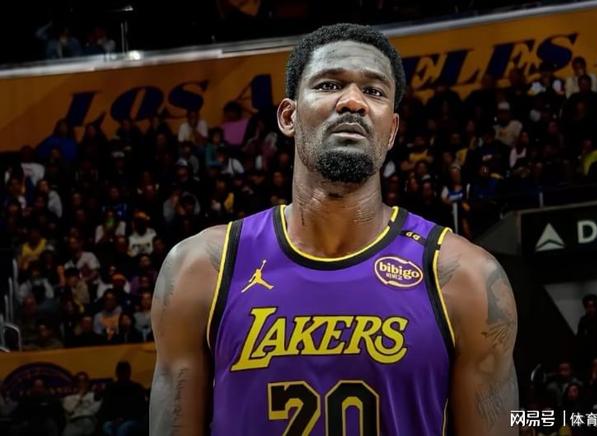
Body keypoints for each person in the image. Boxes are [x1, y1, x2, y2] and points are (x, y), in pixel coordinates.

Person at [150, 23, 518, 435]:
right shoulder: (202, 269)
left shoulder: (466, 278)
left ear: (392, 130)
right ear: (288, 116)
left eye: (374, 91)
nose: (353, 102)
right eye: (329, 85)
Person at [99, 362, 147, 436]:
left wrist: (123, 419)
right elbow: (105, 408)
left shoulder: (136, 388)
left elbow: (140, 409)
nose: (122, 374)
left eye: (124, 371)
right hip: (113, 420)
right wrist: (114, 420)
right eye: (121, 371)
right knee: (107, 427)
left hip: (132, 420)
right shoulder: (110, 388)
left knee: (123, 429)